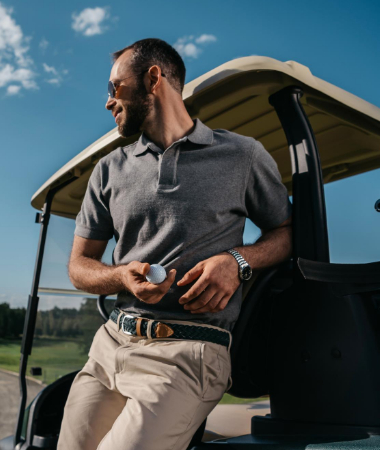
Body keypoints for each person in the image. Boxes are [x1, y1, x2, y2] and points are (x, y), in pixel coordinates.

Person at [57, 38, 293, 450]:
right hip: (110, 345)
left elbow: (286, 234)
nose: (108, 101)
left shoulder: (242, 156)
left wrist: (237, 261)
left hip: (189, 354)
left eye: (115, 87)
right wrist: (120, 278)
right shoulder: (108, 170)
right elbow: (79, 266)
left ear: (153, 79)